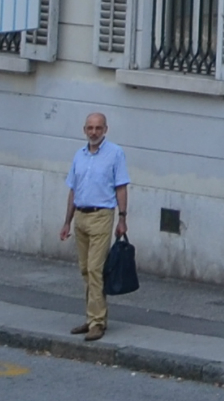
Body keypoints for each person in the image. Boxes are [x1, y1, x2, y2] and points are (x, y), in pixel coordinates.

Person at [66, 108, 131, 338]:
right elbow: (73, 190)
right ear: (85, 130)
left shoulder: (115, 154)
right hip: (81, 216)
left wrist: (122, 218)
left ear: (105, 130)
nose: (94, 132)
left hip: (102, 215)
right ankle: (90, 316)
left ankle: (98, 322)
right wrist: (67, 221)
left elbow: (121, 186)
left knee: (95, 269)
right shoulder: (79, 155)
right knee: (85, 269)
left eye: (98, 128)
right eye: (90, 128)